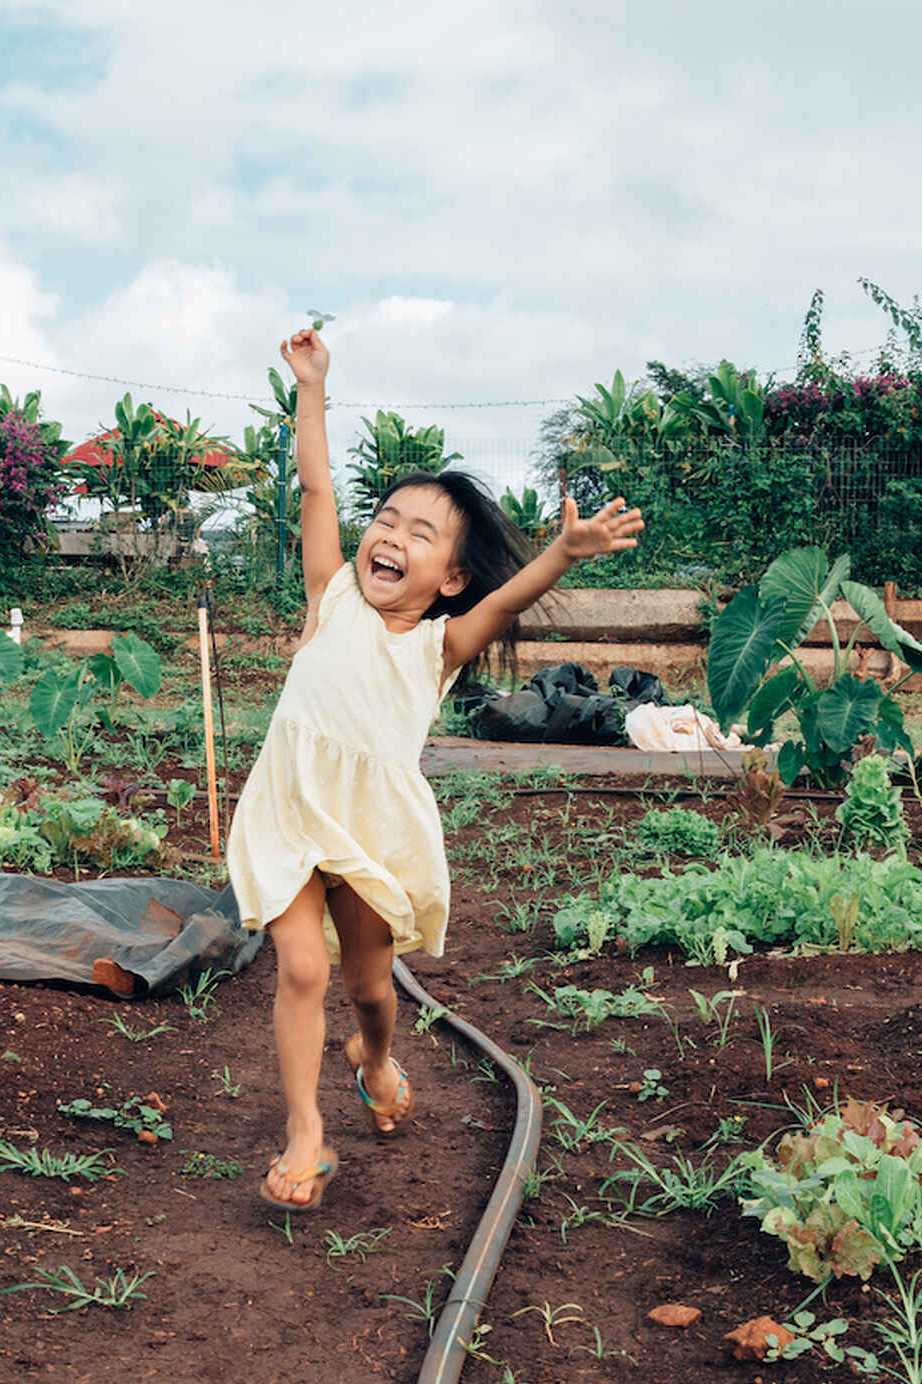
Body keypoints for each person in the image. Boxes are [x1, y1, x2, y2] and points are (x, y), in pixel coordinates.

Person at [232, 328, 643, 1209]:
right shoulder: (331, 593)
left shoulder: (438, 647)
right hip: (290, 809)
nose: (388, 537)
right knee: (302, 968)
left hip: (369, 828)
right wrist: (313, 386)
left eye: (419, 534)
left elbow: (507, 599)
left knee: (371, 988)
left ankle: (374, 1059)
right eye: (385, 520)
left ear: (449, 577)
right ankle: (305, 1132)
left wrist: (565, 553)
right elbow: (314, 485)